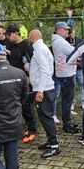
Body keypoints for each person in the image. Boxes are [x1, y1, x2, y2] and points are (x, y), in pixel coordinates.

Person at [28, 29, 61, 158]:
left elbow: (44, 70)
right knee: (44, 117)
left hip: (44, 89)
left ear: (32, 38)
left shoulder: (40, 49)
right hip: (45, 87)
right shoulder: (42, 48)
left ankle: (54, 145)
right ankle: (50, 140)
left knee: (46, 117)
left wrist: (40, 89)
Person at [6, 24, 37, 143]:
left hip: (26, 80)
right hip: (14, 80)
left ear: (15, 33)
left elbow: (33, 62)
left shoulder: (26, 45)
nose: (8, 38)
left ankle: (32, 129)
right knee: (18, 105)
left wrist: (29, 76)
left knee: (26, 105)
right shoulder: (12, 46)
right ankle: (24, 127)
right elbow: (14, 58)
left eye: (9, 35)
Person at [51, 22, 81, 134]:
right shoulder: (59, 41)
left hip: (65, 73)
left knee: (66, 100)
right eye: (65, 29)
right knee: (67, 100)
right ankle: (67, 124)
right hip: (66, 74)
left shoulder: (58, 40)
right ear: (59, 30)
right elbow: (74, 53)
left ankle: (67, 122)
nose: (68, 31)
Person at [66, 28, 84, 109]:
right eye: (70, 33)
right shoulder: (65, 41)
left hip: (79, 67)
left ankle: (83, 101)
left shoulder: (80, 41)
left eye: (73, 33)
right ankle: (72, 103)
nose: (72, 35)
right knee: (72, 86)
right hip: (70, 68)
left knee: (82, 84)